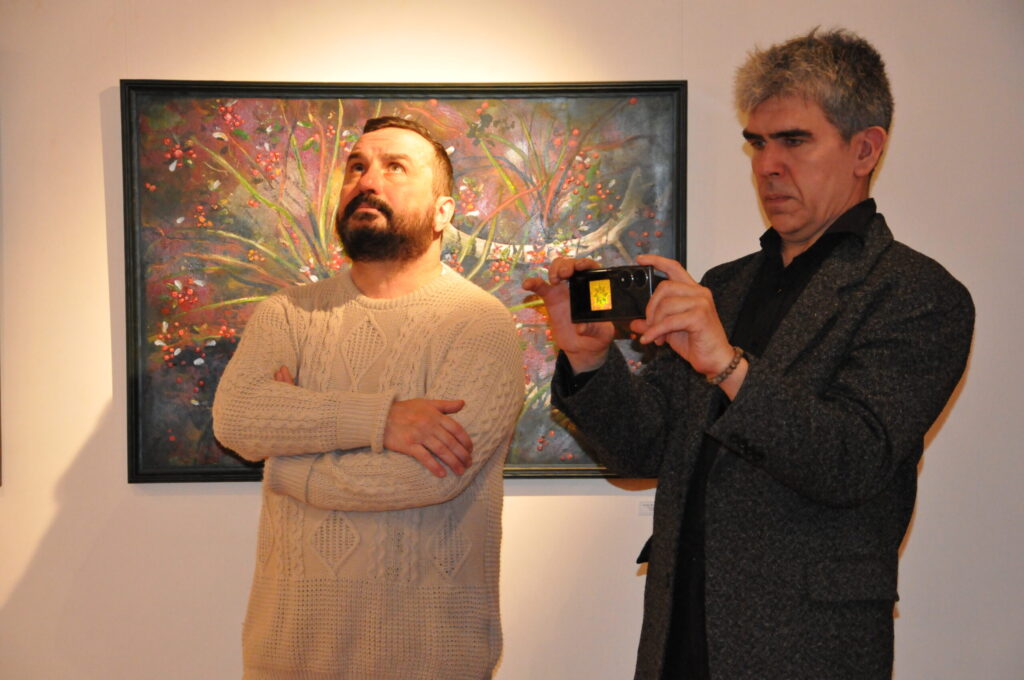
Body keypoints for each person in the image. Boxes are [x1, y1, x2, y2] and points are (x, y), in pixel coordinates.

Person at [523, 28, 974, 680]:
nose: (767, 165)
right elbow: (642, 451)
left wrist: (728, 366)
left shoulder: (916, 294)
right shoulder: (724, 286)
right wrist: (590, 360)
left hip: (808, 649)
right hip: (680, 639)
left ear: (865, 148)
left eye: (794, 141)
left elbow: (852, 460)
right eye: (757, 143)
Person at [213, 116, 524, 680]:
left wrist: (287, 458)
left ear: (444, 212)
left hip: (431, 661)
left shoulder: (480, 323)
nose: (368, 180)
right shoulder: (287, 313)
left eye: (395, 167)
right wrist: (379, 420)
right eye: (357, 166)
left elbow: (425, 478)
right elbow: (237, 418)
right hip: (286, 657)